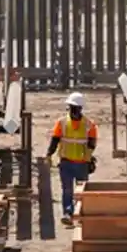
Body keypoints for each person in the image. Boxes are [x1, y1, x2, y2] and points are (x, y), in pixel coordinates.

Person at [45, 92, 98, 225]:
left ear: (80, 108)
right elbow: (55, 140)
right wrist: (49, 154)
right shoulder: (61, 123)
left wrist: (89, 158)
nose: (73, 110)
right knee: (67, 190)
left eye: (75, 108)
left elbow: (92, 144)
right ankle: (68, 213)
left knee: (80, 191)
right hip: (67, 162)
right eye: (72, 107)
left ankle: (80, 215)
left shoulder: (89, 125)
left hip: (81, 164)